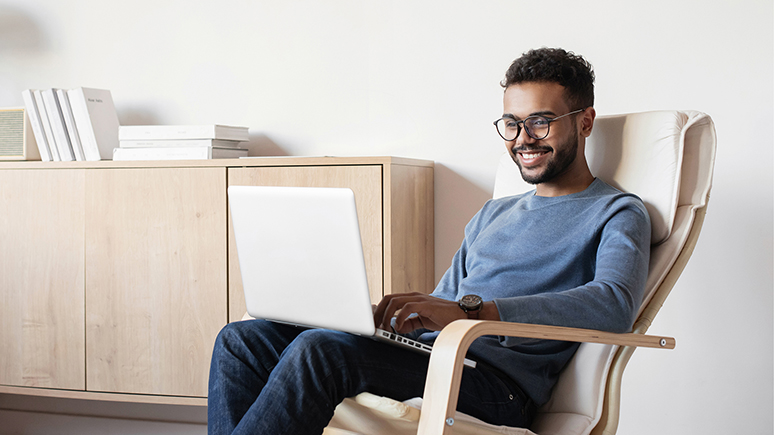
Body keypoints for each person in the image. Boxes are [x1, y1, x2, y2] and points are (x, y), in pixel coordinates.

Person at [207, 47, 651, 434]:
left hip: (499, 386)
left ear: (585, 121)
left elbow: (611, 303)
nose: (522, 140)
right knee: (240, 340)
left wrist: (473, 310)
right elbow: (445, 303)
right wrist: (392, 321)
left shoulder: (616, 211)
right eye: (511, 124)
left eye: (540, 122)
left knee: (320, 352)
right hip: (435, 356)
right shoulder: (494, 212)